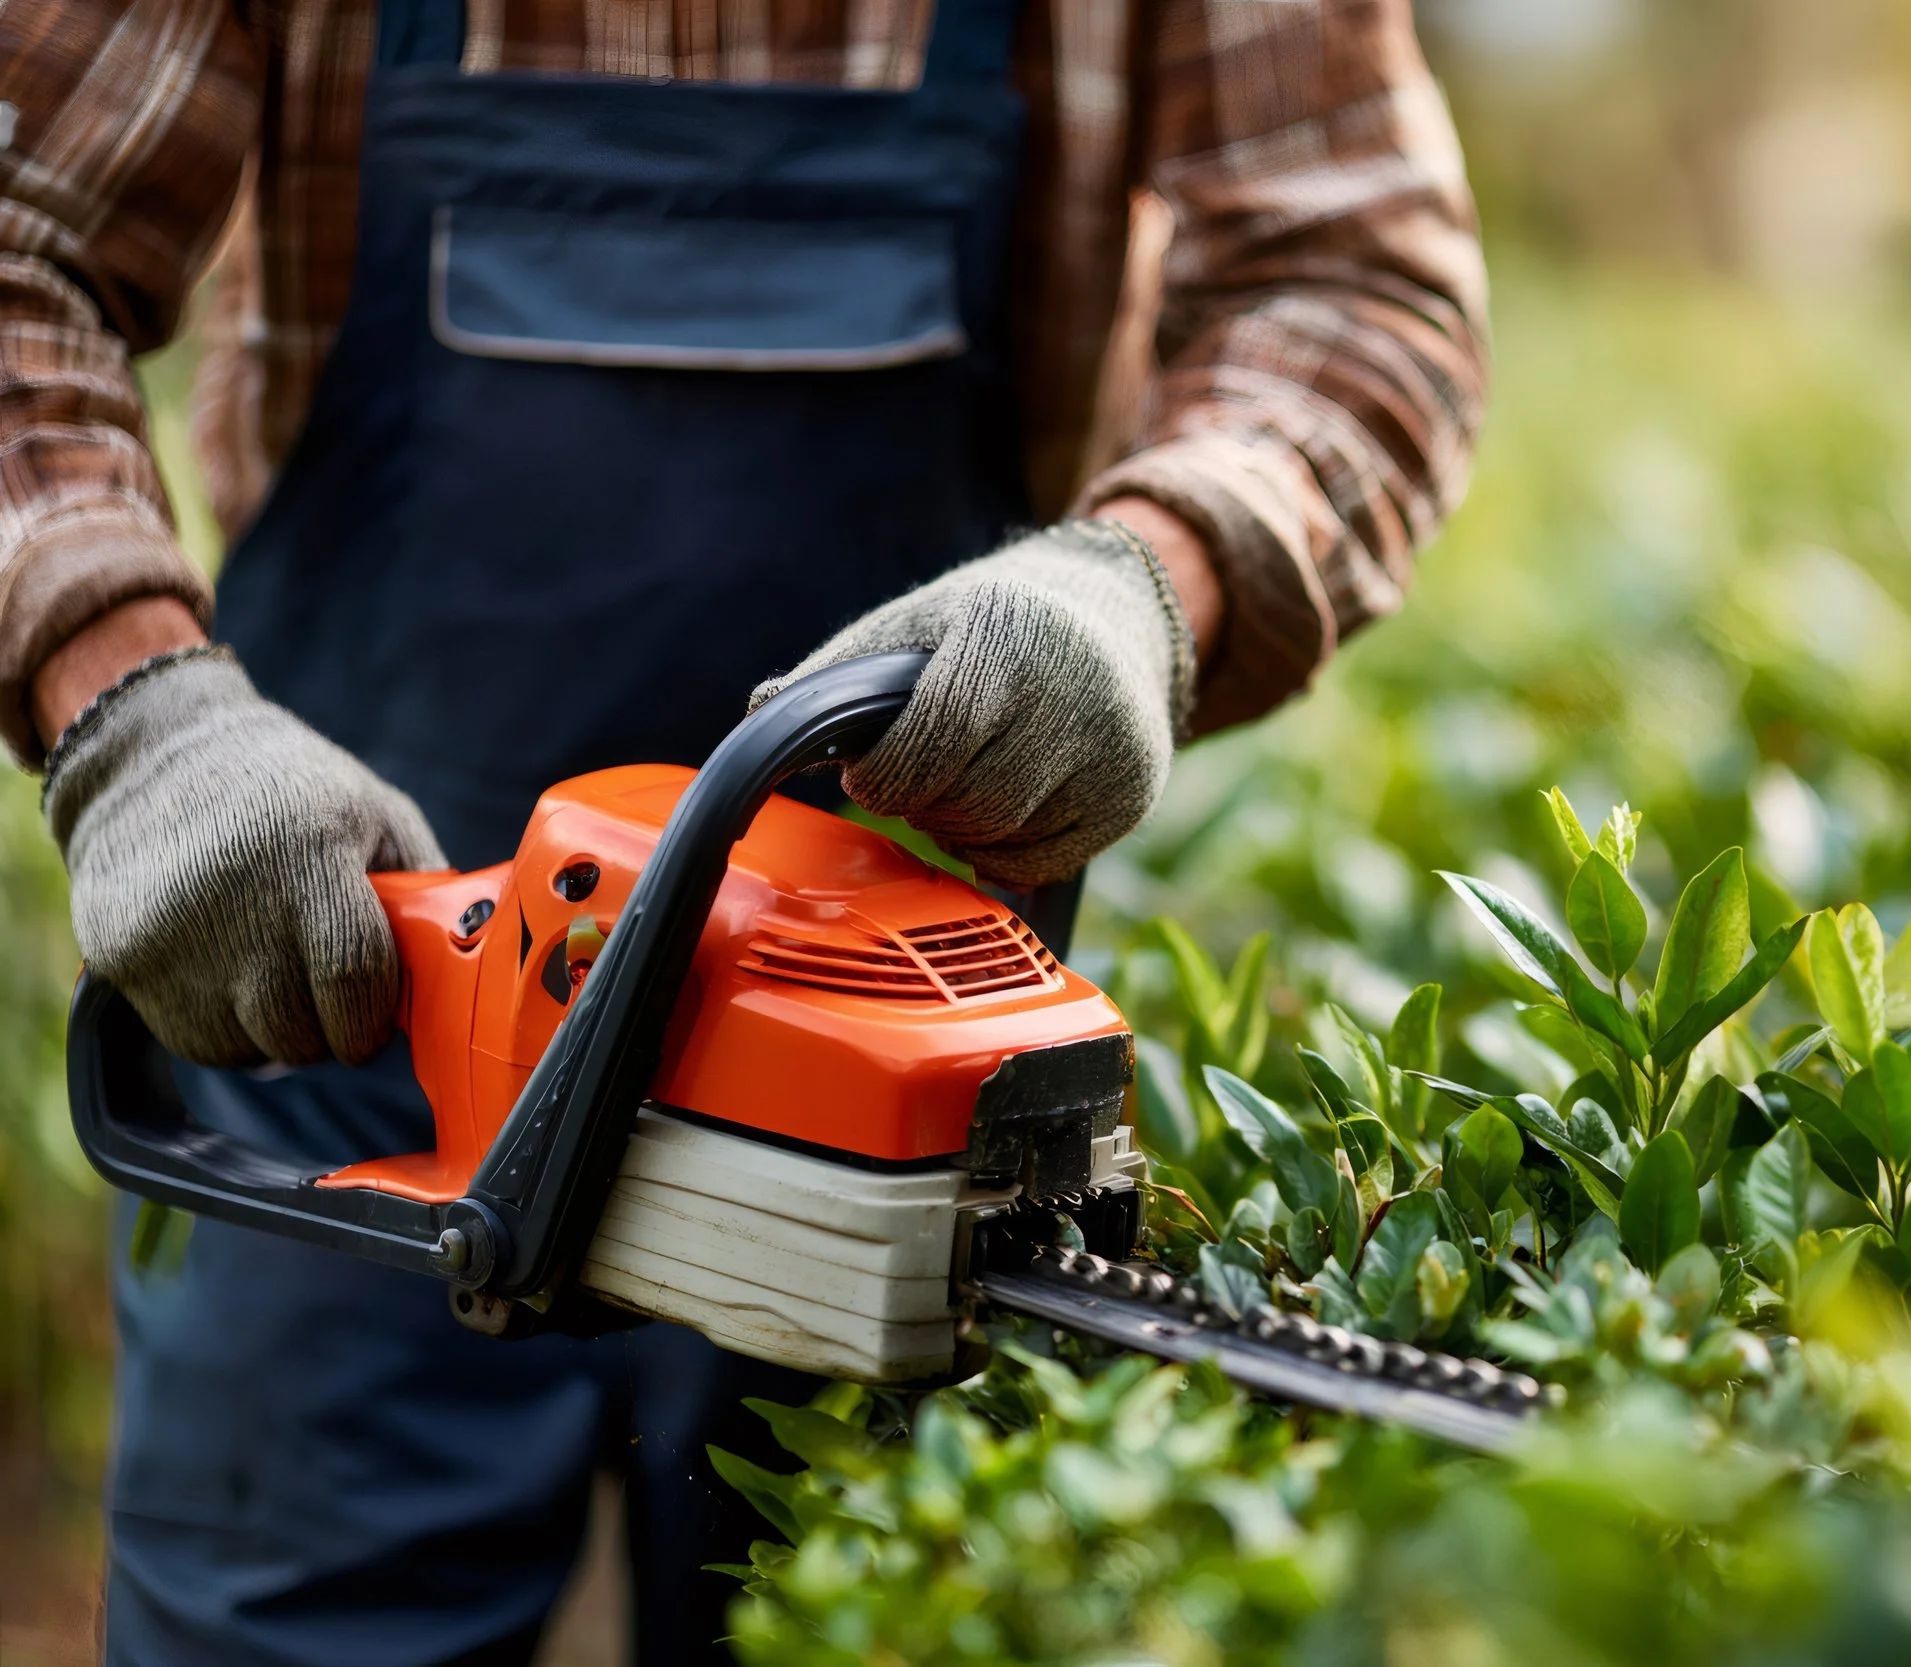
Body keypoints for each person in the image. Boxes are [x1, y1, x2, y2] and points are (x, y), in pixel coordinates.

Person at [0, 0, 1484, 1658]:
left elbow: (1356, 282)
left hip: (880, 1102)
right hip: (353, 1001)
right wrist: (129, 702)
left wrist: (1150, 577)